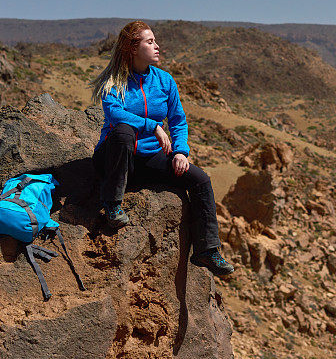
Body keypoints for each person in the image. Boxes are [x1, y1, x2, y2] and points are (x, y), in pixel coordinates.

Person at [90, 20, 234, 276]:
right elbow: (114, 114)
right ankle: (112, 204)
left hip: (148, 159)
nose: (157, 46)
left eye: (155, 41)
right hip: (114, 158)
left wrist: (180, 151)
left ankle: (207, 251)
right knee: (124, 132)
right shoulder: (114, 81)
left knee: (200, 180)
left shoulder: (164, 81)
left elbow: (178, 120)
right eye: (150, 42)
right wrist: (153, 126)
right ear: (133, 48)